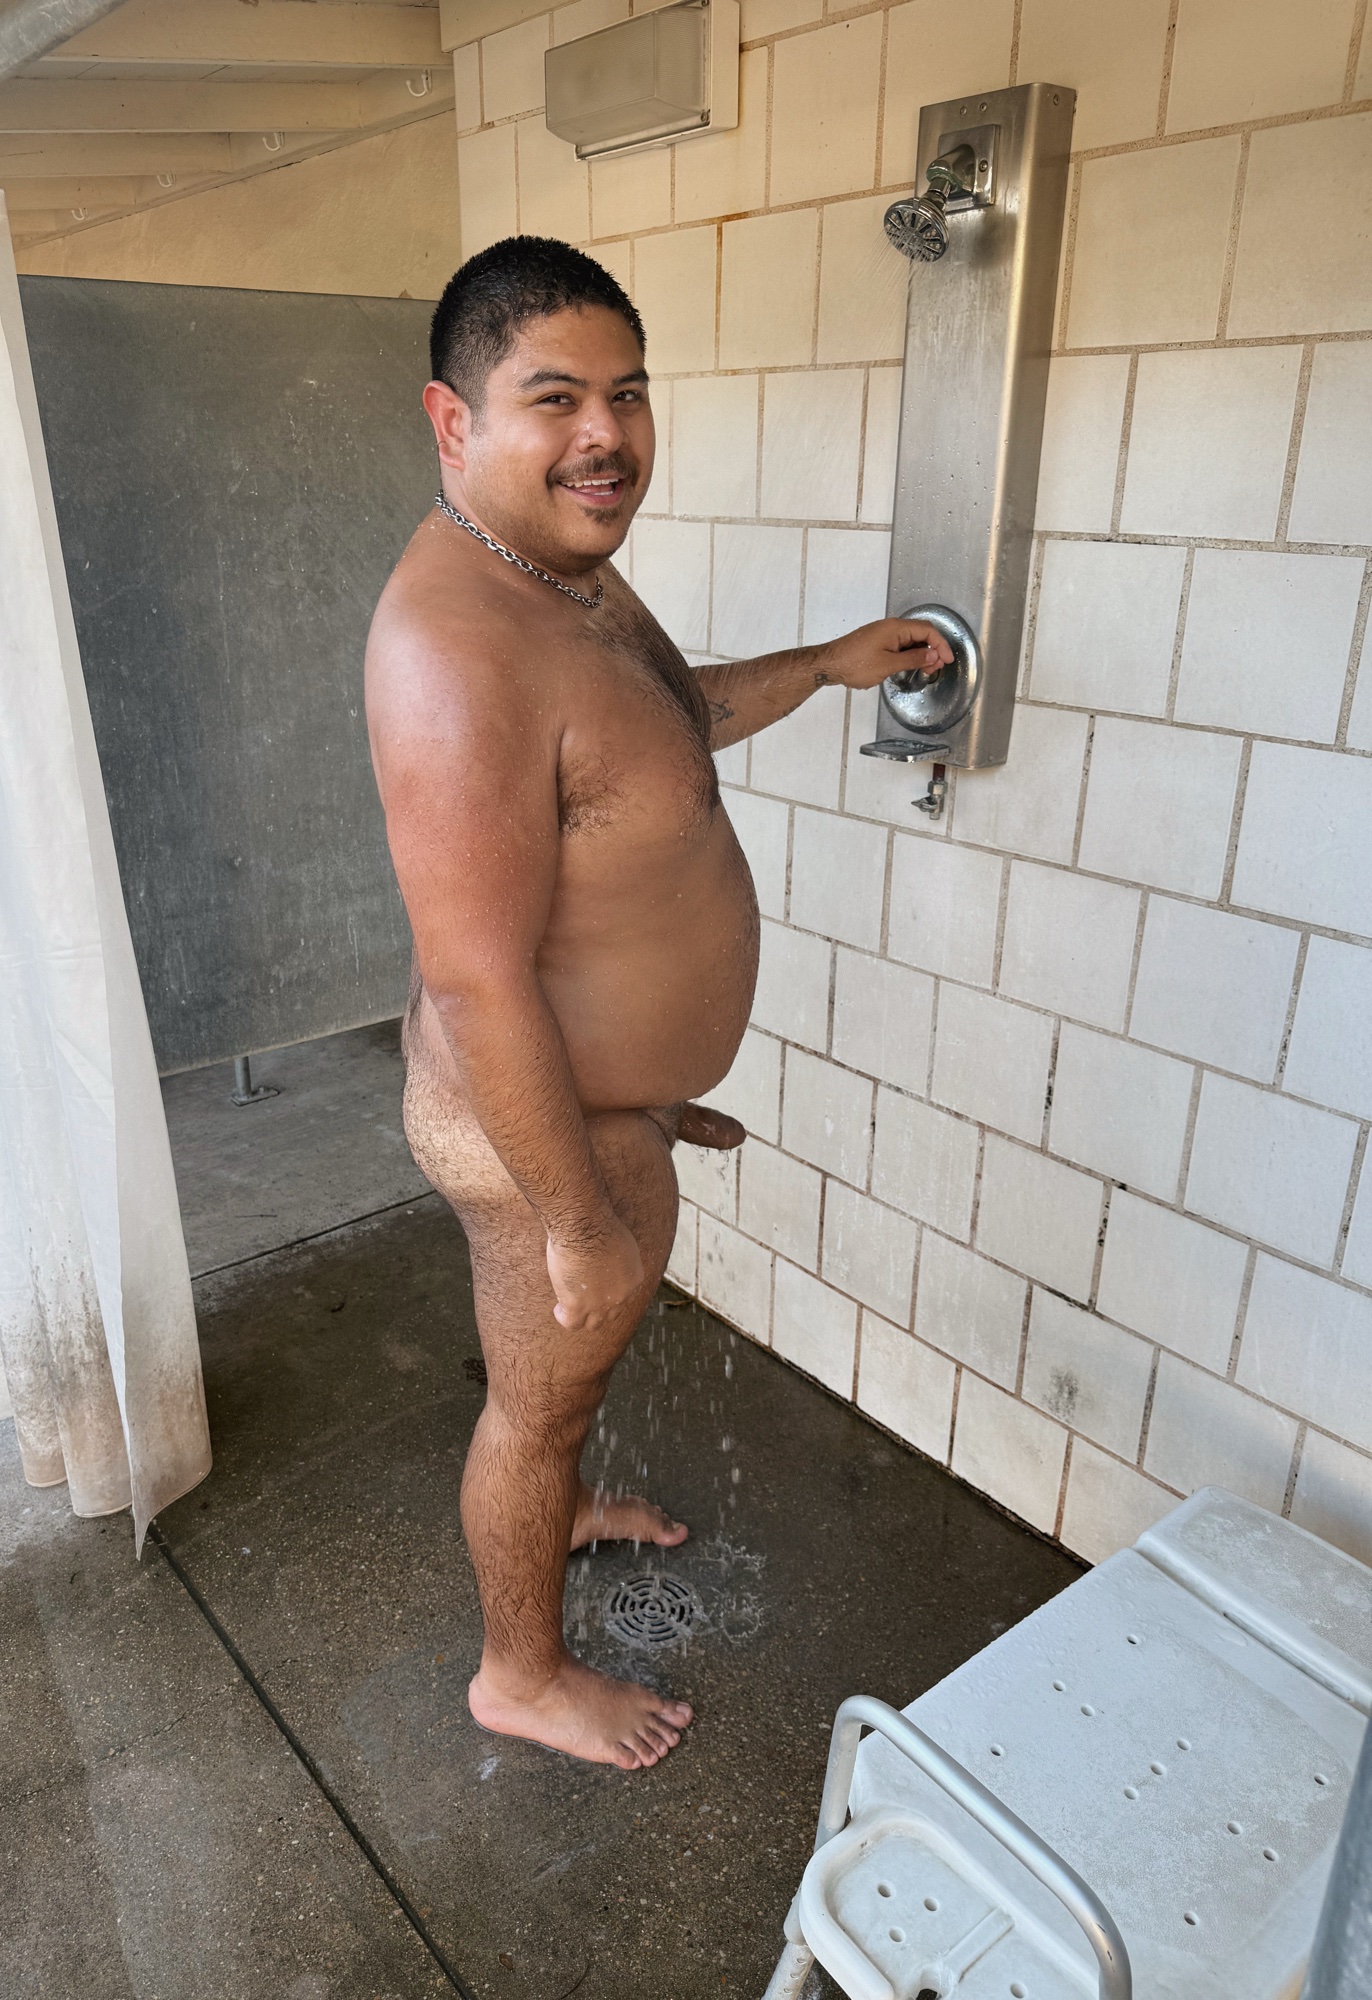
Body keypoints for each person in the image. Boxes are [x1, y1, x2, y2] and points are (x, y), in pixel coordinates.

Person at [364, 236, 951, 1771]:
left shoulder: (565, 576)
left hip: (593, 1107)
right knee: (534, 1414)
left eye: (625, 394)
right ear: (452, 421)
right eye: (554, 398)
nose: (605, 435)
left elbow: (669, 730)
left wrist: (824, 665)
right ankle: (519, 1673)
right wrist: (573, 1215)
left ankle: (558, 1509)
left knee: (555, 1399)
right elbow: (476, 977)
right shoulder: (458, 650)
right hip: (531, 1128)